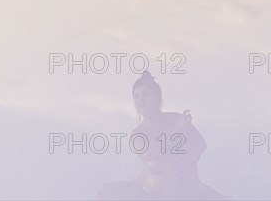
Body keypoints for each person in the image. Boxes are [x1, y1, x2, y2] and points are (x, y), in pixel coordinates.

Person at [96, 71, 232, 200]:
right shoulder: (138, 134)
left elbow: (200, 145)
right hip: (159, 193)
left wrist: (179, 161)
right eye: (136, 96)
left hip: (191, 187)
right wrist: (177, 130)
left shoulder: (176, 118)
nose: (140, 99)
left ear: (157, 98)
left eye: (145, 94)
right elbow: (150, 153)